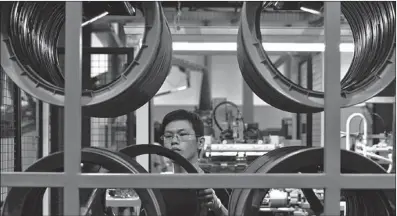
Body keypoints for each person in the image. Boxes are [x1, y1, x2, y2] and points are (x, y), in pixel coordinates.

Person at [158, 109, 229, 216]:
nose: (174, 141)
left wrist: (218, 207)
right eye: (168, 136)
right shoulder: (157, 190)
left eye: (182, 134)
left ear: (200, 143)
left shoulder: (217, 187)